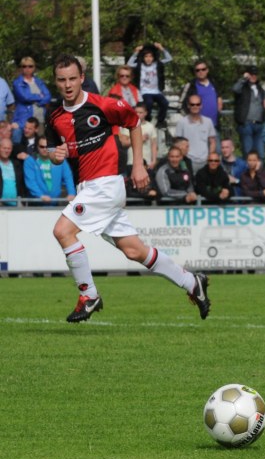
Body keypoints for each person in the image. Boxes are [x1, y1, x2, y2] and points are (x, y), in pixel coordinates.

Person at [44, 54, 210, 322]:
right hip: (88, 187)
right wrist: (55, 155)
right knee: (134, 251)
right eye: (62, 80)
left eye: (73, 78)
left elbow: (133, 122)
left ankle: (89, 295)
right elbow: (51, 151)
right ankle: (192, 282)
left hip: (106, 184)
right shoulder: (54, 117)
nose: (68, 84)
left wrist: (138, 166)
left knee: (62, 231)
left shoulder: (102, 105)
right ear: (56, 82)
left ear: (82, 79)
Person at [128, 43, 173, 128]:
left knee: (165, 103)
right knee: (149, 103)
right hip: (145, 91)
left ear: (154, 57)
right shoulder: (139, 65)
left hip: (156, 91)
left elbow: (169, 58)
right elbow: (129, 64)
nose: (148, 59)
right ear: (143, 57)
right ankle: (147, 119)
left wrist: (161, 48)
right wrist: (136, 52)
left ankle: (160, 121)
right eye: (146, 56)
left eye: (150, 56)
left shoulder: (157, 64)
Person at [23, 136, 76, 205]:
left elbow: (68, 177)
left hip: (55, 203)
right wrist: (40, 196)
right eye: (42, 146)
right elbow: (30, 181)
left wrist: (71, 193)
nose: (45, 149)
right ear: (37, 147)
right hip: (36, 204)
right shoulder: (30, 161)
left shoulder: (59, 159)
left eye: (47, 146)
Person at [232, 66, 265, 160]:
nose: (253, 76)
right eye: (251, 74)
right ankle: (247, 174)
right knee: (248, 154)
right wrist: (243, 79)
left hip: (259, 124)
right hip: (246, 124)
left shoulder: (261, 88)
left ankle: (260, 174)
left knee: (260, 154)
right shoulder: (242, 87)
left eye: (255, 74)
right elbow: (235, 89)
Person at [174, 94, 216, 174]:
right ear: (188, 106)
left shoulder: (208, 122)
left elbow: (212, 142)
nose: (195, 106)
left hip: (205, 161)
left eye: (197, 104)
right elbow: (177, 143)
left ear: (201, 106)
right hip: (188, 160)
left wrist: (210, 157)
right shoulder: (182, 122)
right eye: (192, 104)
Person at [179, 60, 223, 131]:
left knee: (215, 142)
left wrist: (219, 100)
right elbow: (181, 106)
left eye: (203, 69)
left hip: (214, 126)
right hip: (197, 127)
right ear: (195, 72)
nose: (201, 72)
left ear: (207, 70)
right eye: (198, 70)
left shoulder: (213, 83)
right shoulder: (190, 86)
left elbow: (218, 96)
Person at [12, 57, 51, 131]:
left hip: (40, 118)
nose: (27, 68)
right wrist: (40, 96)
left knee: (40, 140)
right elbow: (25, 97)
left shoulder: (39, 81)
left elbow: (48, 96)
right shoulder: (17, 83)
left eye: (30, 66)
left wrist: (38, 103)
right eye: (24, 66)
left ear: (34, 67)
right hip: (25, 120)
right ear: (21, 68)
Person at [118, 103, 158, 172]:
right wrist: (140, 139)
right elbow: (123, 143)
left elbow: (153, 145)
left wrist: (154, 160)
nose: (138, 114)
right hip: (132, 162)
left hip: (147, 162)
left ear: (146, 113)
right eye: (136, 112)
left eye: (140, 112)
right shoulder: (128, 126)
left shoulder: (150, 126)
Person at [0, 137, 26, 206]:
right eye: (4, 148)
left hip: (16, 204)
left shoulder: (17, 164)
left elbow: (21, 184)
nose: (6, 151)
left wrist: (22, 202)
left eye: (9, 148)